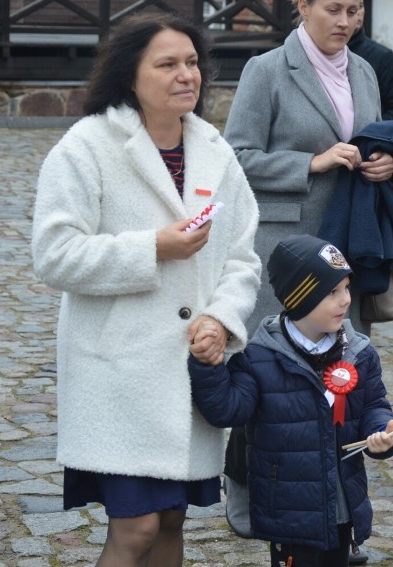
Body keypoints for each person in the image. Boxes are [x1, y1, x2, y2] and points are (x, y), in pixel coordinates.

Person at [30, 13, 261, 565]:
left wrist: (221, 321)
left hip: (188, 378)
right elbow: (54, 255)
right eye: (167, 64)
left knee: (171, 525)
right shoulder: (86, 146)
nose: (186, 75)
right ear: (129, 76)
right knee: (135, 529)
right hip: (116, 376)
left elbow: (242, 257)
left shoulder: (215, 151)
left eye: (192, 62)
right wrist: (151, 248)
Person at [189, 234, 393, 567]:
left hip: (342, 505)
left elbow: (375, 405)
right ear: (301, 298)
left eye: (347, 287)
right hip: (287, 509)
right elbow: (227, 409)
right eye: (333, 292)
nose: (346, 300)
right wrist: (208, 365)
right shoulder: (260, 358)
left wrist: (383, 432)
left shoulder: (359, 352)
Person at [224, 0, 393, 337]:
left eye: (353, 10)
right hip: (287, 244)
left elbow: (372, 140)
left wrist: (386, 163)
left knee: (343, 365)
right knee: (278, 360)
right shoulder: (266, 69)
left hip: (350, 239)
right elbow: (236, 158)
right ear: (303, 6)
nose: (345, 22)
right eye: (333, 10)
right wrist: (311, 163)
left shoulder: (364, 71)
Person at [348, 0, 393, 121]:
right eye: (335, 9)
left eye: (360, 6)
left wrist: (369, 133)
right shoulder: (313, 53)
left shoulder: (382, 56)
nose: (356, 13)